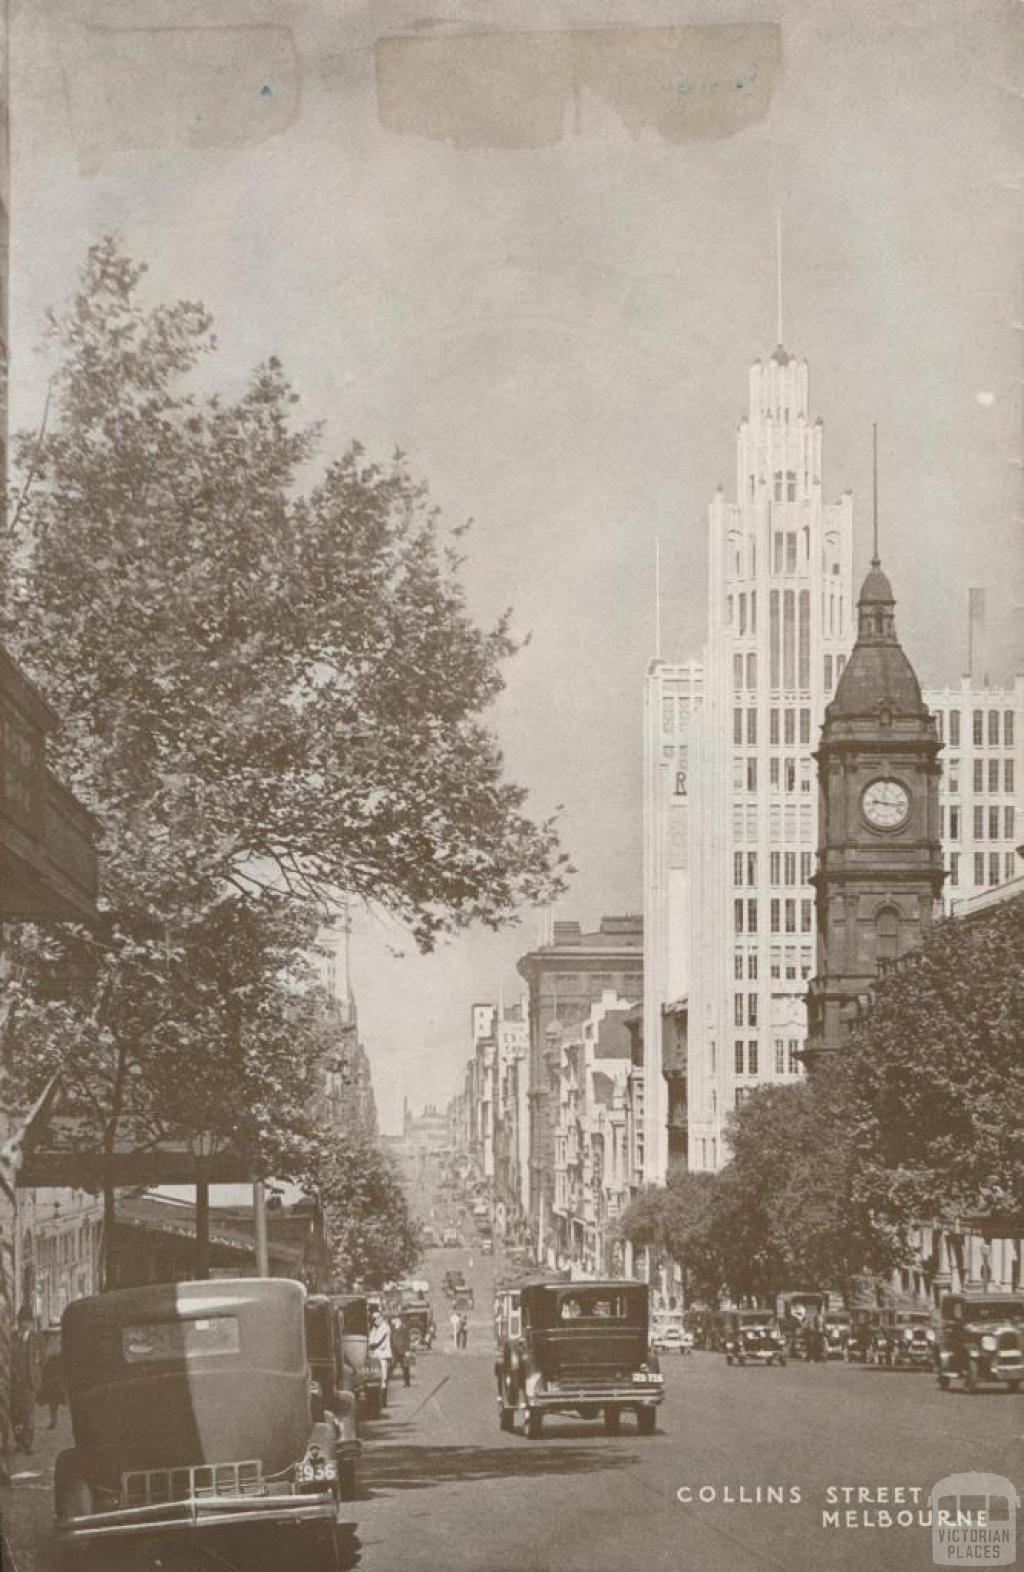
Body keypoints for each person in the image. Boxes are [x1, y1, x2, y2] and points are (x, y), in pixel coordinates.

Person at [9, 1307, 42, 1455]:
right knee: (16, 1414)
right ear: (19, 1322)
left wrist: (36, 1372)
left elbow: (43, 1357)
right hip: (15, 1383)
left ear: (31, 1323)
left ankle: (28, 1443)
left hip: (30, 1383)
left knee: (29, 1414)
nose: (25, 1325)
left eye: (28, 1322)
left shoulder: (36, 1339)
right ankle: (19, 1441)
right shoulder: (12, 1338)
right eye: (23, 1322)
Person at [39, 1334, 65, 1429]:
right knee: (53, 1401)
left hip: (59, 1376)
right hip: (52, 1378)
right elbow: (45, 1361)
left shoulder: (60, 1343)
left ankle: (55, 1420)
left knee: (56, 1400)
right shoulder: (50, 1344)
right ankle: (54, 1420)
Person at [367, 1308, 392, 1397]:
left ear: (381, 1318)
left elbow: (375, 1342)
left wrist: (369, 1344)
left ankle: (383, 1398)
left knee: (383, 1378)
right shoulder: (375, 1328)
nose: (374, 1321)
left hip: (383, 1355)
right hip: (375, 1355)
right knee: (375, 1377)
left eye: (376, 1318)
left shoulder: (384, 1327)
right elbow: (370, 1339)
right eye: (373, 1319)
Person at [391, 1316, 412, 1387]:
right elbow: (391, 1338)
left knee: (405, 1367)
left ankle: (407, 1382)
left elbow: (407, 1339)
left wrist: (408, 1350)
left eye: (395, 1319)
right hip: (395, 1350)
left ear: (399, 1320)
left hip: (403, 1350)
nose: (393, 1321)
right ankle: (386, 1382)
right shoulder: (393, 1328)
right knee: (392, 1365)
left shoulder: (404, 1328)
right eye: (394, 1320)